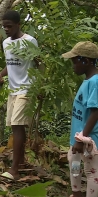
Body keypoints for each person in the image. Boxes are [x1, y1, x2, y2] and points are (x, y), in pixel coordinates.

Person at [0, 10, 40, 180]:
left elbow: (39, 63)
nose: (6, 29)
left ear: (18, 25)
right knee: (15, 126)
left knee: (17, 124)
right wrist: (1, 75)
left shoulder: (29, 41)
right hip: (13, 90)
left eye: (9, 26)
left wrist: (39, 87)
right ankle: (20, 162)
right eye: (4, 26)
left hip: (27, 88)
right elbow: (10, 65)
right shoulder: (6, 43)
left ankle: (14, 170)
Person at [62, 41, 98, 197]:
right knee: (74, 164)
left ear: (87, 61)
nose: (73, 65)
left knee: (92, 172)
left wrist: (82, 137)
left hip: (88, 140)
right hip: (76, 139)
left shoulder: (95, 82)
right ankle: (76, 193)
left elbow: (95, 112)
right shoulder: (87, 81)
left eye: (75, 61)